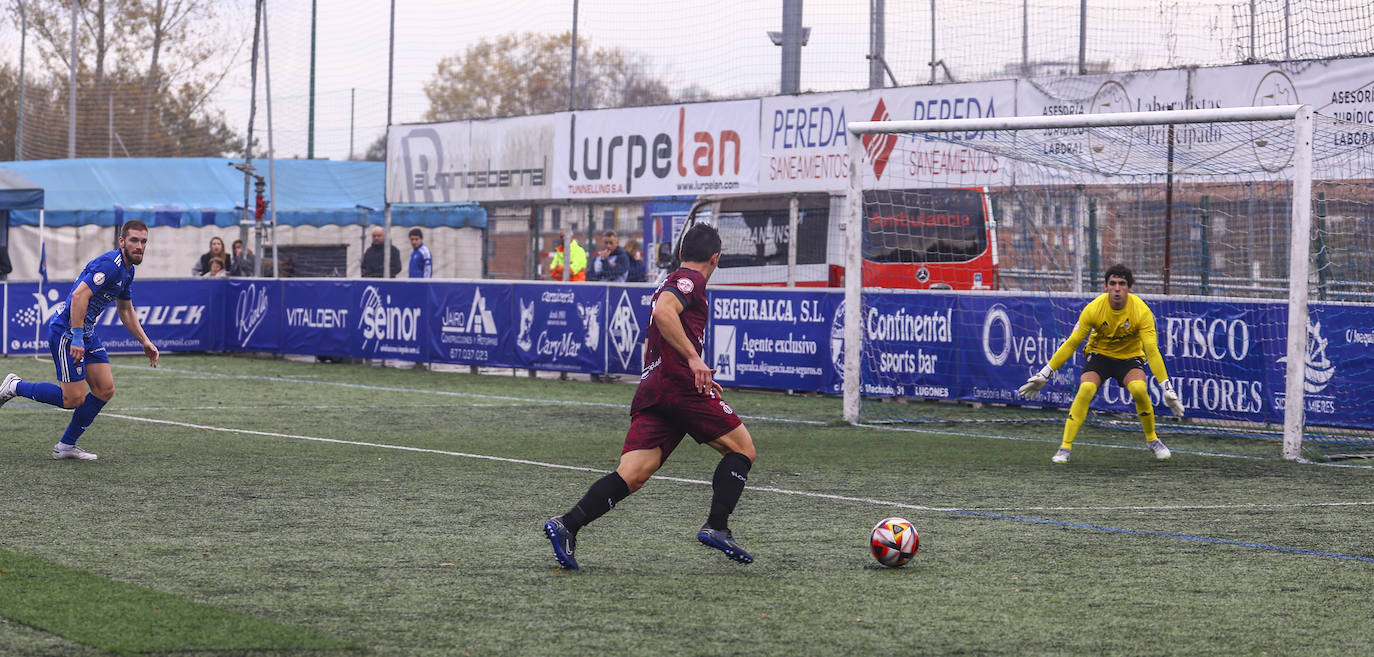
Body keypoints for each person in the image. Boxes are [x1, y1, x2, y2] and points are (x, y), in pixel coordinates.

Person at [543, 223, 756, 569]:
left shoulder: (665, 283)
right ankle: (717, 526)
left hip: (655, 388)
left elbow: (656, 327)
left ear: (683, 252)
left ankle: (567, 525)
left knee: (633, 473)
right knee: (743, 449)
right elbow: (663, 313)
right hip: (679, 385)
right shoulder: (691, 281)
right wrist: (693, 360)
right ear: (715, 258)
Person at [0, 220, 160, 461]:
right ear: (122, 241)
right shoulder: (110, 265)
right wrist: (76, 337)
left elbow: (125, 309)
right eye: (134, 240)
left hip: (86, 332)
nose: (139, 246)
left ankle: (65, 446)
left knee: (105, 390)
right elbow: (78, 296)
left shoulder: (128, 271)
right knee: (73, 399)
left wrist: (144, 341)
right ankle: (14, 386)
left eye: (144, 241)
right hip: (67, 331)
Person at [1017, 263, 1186, 463]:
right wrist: (1045, 373)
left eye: (1122, 284)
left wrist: (1166, 387)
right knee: (1086, 389)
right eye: (1112, 283)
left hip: (1130, 357)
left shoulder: (1141, 311)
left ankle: (1153, 440)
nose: (1117, 288)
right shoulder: (1094, 309)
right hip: (1099, 355)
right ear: (1105, 286)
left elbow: (1152, 350)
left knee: (1140, 390)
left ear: (1129, 287)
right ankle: (1065, 447)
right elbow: (1072, 343)